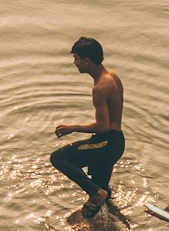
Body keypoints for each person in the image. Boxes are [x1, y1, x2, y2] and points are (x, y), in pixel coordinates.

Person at [51, 37, 125, 218]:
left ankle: (97, 194)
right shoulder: (112, 76)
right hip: (116, 142)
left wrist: (73, 127)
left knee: (59, 158)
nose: (75, 63)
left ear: (86, 60)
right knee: (102, 194)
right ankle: (112, 223)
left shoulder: (100, 87)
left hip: (106, 143)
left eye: (76, 58)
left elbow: (102, 126)